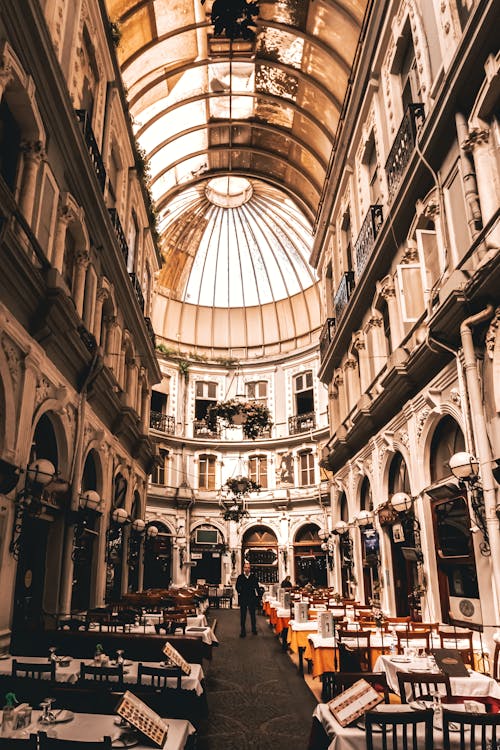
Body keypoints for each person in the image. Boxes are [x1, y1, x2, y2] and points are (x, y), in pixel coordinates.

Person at [235, 561, 261, 637]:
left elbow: (257, 587)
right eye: (246, 567)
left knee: (253, 614)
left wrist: (259, 597)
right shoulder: (240, 577)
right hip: (243, 598)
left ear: (250, 569)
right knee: (243, 615)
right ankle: (243, 631)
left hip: (251, 598)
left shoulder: (253, 577)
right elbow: (237, 586)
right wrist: (240, 591)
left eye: (248, 568)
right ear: (243, 568)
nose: (247, 569)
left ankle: (254, 629)